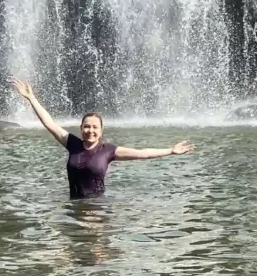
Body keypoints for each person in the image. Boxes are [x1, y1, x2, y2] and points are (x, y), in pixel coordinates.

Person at [10, 77, 194, 199]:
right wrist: (31, 98)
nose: (90, 130)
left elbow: (142, 153)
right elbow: (49, 123)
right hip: (73, 205)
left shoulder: (108, 151)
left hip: (96, 207)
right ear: (81, 128)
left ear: (101, 130)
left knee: (95, 253)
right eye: (87, 127)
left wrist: (170, 151)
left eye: (95, 127)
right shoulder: (72, 143)